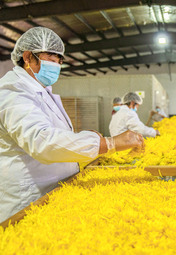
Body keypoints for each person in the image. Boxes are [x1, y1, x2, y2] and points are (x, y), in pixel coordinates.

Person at [0, 27, 144, 222]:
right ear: (27, 57)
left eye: (59, 60)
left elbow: (54, 134)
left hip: (53, 193)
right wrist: (108, 144)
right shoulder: (13, 92)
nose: (57, 65)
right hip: (29, 199)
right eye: (51, 58)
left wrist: (86, 138)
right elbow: (41, 141)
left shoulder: (41, 91)